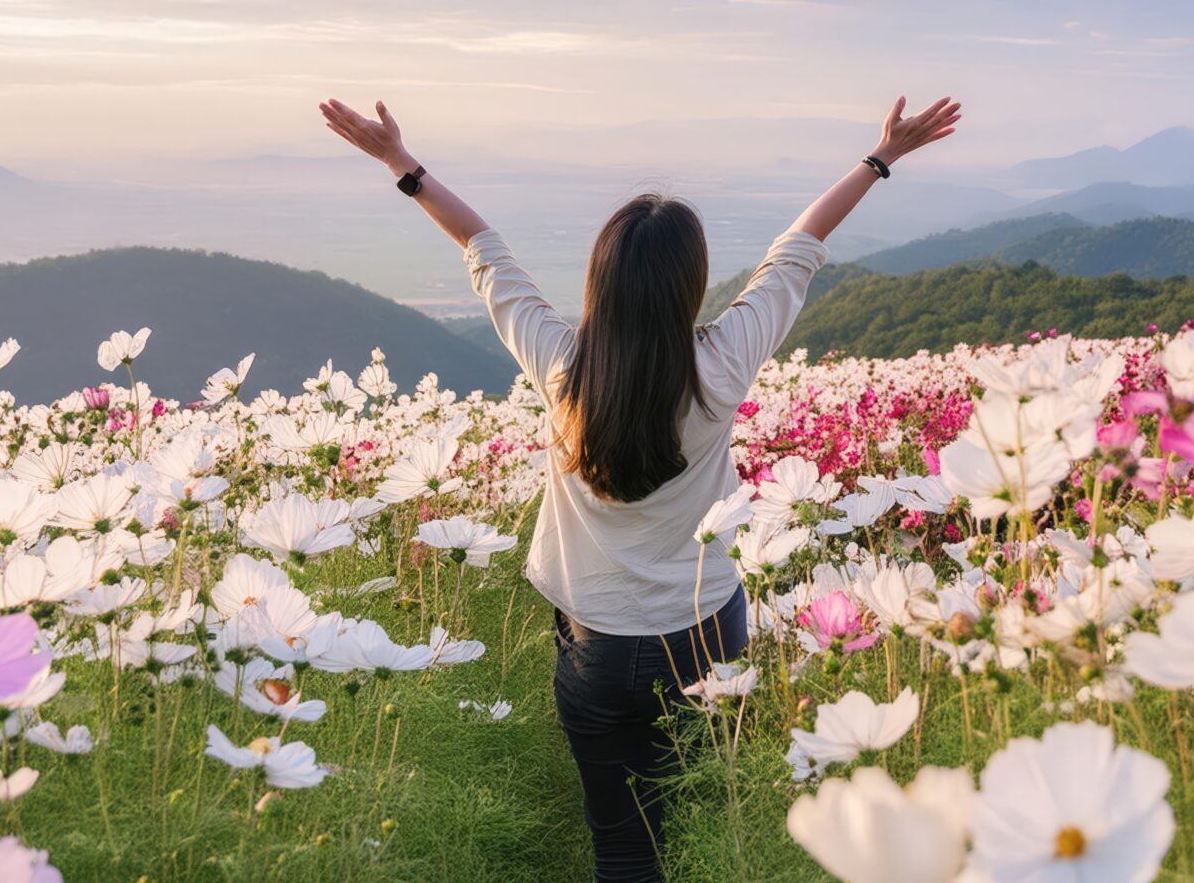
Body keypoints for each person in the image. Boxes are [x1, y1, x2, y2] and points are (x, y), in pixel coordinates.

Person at [317, 93, 962, 882]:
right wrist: (880, 157)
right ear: (690, 289)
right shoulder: (720, 368)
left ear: (601, 282)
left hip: (592, 646)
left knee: (619, 842)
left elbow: (484, 250)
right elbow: (799, 247)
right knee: (693, 819)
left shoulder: (562, 370)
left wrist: (399, 163)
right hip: (702, 638)